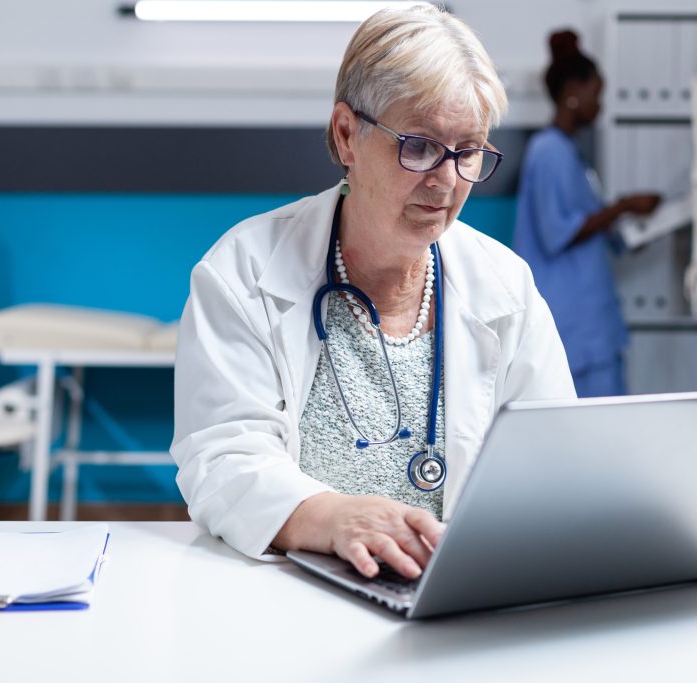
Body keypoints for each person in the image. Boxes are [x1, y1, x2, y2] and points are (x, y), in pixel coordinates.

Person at [171, 6, 575, 581]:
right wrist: (330, 517)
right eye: (420, 146)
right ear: (346, 136)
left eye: (468, 151)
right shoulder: (244, 272)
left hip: (450, 599)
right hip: (287, 592)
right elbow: (222, 457)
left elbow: (558, 456)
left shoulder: (504, 285)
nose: (446, 181)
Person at [513, 30, 661, 398]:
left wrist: (626, 230)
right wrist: (623, 206)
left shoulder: (569, 152)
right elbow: (556, 232)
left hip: (590, 325)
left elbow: (585, 224)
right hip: (574, 326)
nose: (601, 105)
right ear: (574, 93)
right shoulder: (548, 152)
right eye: (597, 93)